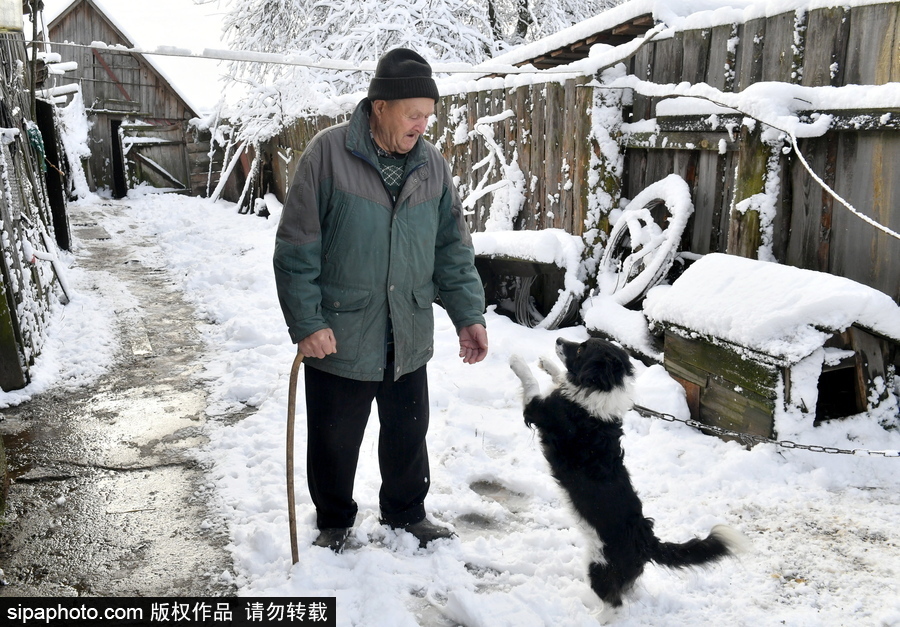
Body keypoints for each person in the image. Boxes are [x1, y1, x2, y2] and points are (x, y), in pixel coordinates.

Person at [273, 48, 488, 553]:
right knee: (333, 440)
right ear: (379, 107)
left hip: (407, 329)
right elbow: (296, 248)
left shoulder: (431, 165)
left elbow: (452, 248)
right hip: (341, 333)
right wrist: (307, 321)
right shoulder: (327, 155)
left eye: (428, 116)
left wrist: (468, 315)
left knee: (408, 434)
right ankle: (333, 521)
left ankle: (407, 512)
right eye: (413, 114)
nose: (422, 125)